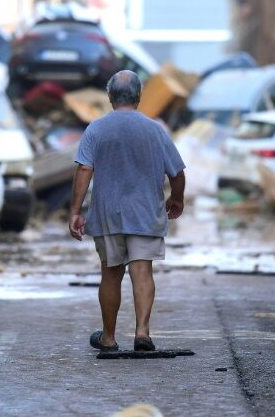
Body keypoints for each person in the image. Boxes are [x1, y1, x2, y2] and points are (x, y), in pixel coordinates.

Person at [69, 70, 186, 352]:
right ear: (139, 95)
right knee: (142, 270)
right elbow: (177, 172)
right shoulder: (155, 129)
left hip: (108, 212)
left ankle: (108, 338)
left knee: (111, 273)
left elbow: (85, 169)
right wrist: (177, 199)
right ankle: (142, 333)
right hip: (146, 212)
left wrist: (75, 210)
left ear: (109, 96)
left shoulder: (96, 128)